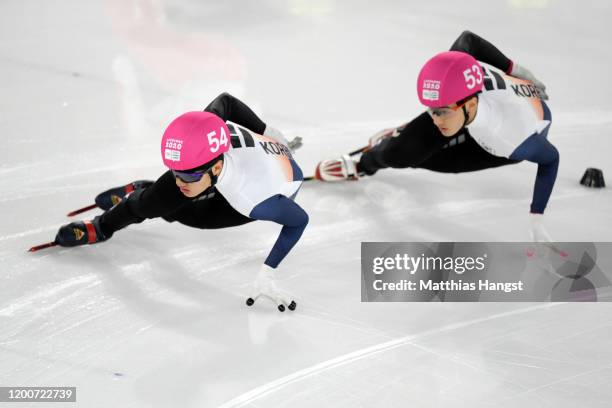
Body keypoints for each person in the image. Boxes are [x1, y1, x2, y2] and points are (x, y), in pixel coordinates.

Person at [54, 93, 308, 312]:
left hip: (262, 186)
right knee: (152, 203)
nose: (178, 181)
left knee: (191, 215)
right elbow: (226, 102)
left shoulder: (253, 200)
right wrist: (264, 131)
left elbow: (299, 221)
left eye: (185, 175)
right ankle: (103, 225)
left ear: (216, 166)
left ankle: (146, 191)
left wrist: (268, 271)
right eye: (174, 172)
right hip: (228, 168)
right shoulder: (202, 146)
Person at [316, 30, 558, 242]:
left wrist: (537, 217)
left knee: (421, 159)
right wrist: (514, 69)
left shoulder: (511, 140)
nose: (434, 119)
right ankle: (366, 162)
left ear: (470, 103)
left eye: (439, 111)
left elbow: (551, 159)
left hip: (499, 141)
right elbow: (468, 40)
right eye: (431, 110)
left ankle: (399, 142)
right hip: (467, 113)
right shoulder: (457, 75)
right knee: (399, 154)